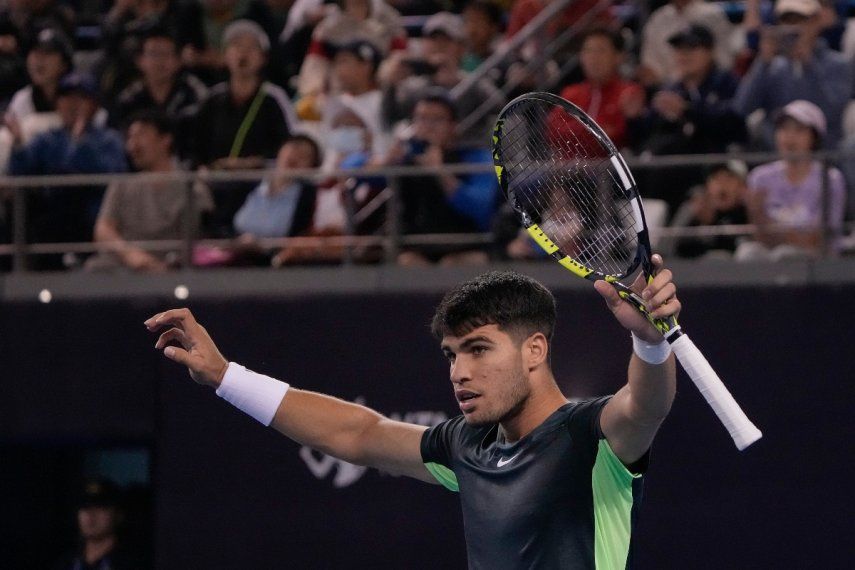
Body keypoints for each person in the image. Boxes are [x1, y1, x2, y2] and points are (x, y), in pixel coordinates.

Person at [145, 255, 682, 568]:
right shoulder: (466, 446)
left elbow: (646, 404)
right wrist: (225, 376)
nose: (459, 372)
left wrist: (651, 344)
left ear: (534, 350)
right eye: (452, 355)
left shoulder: (589, 437)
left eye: (478, 349)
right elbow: (358, 433)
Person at [190, 19, 298, 237]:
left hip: (258, 187)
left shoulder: (273, 99)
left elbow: (289, 148)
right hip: (215, 188)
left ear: (263, 58)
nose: (242, 54)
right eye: (236, 46)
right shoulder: (212, 101)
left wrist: (249, 164)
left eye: (251, 48)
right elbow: (195, 148)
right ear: (225, 56)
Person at [8, 71, 127, 269]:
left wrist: (81, 146)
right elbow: (20, 173)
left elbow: (114, 176)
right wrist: (19, 144)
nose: (72, 104)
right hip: (51, 220)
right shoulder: (47, 139)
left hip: (92, 217)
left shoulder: (109, 140)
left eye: (80, 99)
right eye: (66, 98)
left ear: (94, 105)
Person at [629, 24, 746, 212]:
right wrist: (635, 118)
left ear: (709, 52)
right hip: (672, 163)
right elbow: (648, 133)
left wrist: (687, 110)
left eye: (691, 48)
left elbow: (732, 123)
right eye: (679, 49)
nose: (684, 55)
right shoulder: (672, 87)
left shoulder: (726, 82)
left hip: (712, 159)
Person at [86, 110, 212, 273]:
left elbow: (197, 238)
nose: (133, 145)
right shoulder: (121, 185)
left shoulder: (192, 186)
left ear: (165, 140)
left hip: (171, 268)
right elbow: (103, 230)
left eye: (141, 135)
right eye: (130, 138)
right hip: (125, 265)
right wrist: (131, 255)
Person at [383, 92, 498, 266]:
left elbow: (480, 208)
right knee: (407, 262)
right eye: (421, 119)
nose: (427, 127)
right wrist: (387, 164)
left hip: (468, 245)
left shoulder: (475, 157)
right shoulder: (406, 158)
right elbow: (357, 173)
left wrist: (440, 172)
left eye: (436, 120)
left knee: (453, 264)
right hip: (419, 247)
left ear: (453, 126)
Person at [736, 99, 846, 260]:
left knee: (785, 255)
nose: (789, 137)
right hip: (771, 252)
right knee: (747, 252)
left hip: (818, 260)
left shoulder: (830, 179)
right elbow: (760, 237)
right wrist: (756, 215)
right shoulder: (760, 177)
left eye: (799, 130)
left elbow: (816, 240)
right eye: (783, 129)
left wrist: (764, 221)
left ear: (814, 138)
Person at [733, 0, 853, 149]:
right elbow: (742, 108)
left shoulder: (838, 64)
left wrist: (809, 64)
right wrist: (762, 63)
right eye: (787, 21)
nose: (794, 27)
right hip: (776, 159)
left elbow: (832, 111)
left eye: (801, 20)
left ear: (816, 22)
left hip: (825, 159)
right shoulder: (772, 67)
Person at [111, 23, 208, 153]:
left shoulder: (195, 93)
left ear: (178, 61)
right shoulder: (129, 100)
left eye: (166, 54)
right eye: (153, 54)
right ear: (140, 61)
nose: (160, 61)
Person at [556, 26, 645, 150]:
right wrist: (596, 131)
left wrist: (575, 131)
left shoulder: (628, 92)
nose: (593, 58)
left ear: (618, 57)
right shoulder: (570, 94)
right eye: (588, 51)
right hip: (568, 168)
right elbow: (554, 132)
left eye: (601, 50)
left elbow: (617, 137)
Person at [639, 0, 737, 87]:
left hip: (710, 85)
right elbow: (650, 67)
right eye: (679, 48)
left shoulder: (710, 14)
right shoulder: (658, 18)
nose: (683, 53)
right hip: (669, 88)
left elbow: (724, 60)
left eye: (691, 47)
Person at [53, 479, 142, 570]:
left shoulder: (131, 563)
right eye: (85, 507)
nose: (90, 515)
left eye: (100, 508)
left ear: (118, 515)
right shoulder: (67, 563)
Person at [671, 161, 750, 259]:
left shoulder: (749, 211)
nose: (722, 185)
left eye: (729, 178)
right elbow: (671, 248)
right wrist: (703, 224)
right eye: (716, 179)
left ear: (742, 186)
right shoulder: (693, 208)